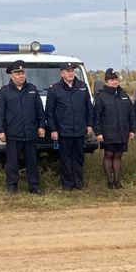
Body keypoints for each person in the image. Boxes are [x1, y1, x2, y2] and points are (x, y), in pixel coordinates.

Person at [0, 60, 46, 194]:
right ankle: (12, 186)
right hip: (13, 133)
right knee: (12, 162)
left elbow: (39, 109)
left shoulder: (32, 89)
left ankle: (34, 186)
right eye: (17, 73)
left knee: (32, 162)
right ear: (11, 75)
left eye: (22, 73)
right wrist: (0, 130)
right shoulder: (4, 92)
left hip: (30, 133)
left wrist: (41, 126)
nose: (21, 76)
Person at [45, 61, 93, 190]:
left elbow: (89, 108)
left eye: (72, 71)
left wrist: (89, 124)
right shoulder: (55, 89)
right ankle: (67, 184)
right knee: (66, 159)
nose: (71, 73)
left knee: (78, 157)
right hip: (63, 131)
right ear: (62, 73)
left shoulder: (82, 87)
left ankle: (78, 183)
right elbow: (49, 112)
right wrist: (53, 129)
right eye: (68, 71)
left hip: (79, 129)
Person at [93, 68, 136, 188]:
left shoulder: (123, 94)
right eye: (111, 80)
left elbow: (131, 112)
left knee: (118, 155)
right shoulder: (101, 96)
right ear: (106, 81)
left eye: (116, 79)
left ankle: (117, 180)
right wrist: (98, 133)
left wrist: (132, 129)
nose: (114, 82)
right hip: (108, 132)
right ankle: (109, 181)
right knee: (109, 155)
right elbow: (96, 116)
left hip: (122, 132)